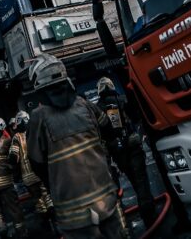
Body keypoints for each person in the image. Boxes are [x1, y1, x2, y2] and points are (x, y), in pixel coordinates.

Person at [26, 54, 128, 239]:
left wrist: (54, 185)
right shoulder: (86, 105)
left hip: (73, 215)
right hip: (106, 201)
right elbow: (109, 133)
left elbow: (36, 163)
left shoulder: (38, 118)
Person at [97, 77, 157, 229]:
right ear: (111, 86)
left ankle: (147, 211)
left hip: (118, 152)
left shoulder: (97, 107)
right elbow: (135, 118)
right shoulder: (121, 99)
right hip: (132, 147)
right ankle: (150, 217)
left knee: (135, 180)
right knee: (141, 181)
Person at [8, 110, 56, 232]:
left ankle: (47, 227)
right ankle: (56, 223)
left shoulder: (17, 137)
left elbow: (13, 157)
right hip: (40, 171)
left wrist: (13, 169)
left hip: (28, 177)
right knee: (48, 197)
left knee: (38, 199)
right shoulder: (35, 132)